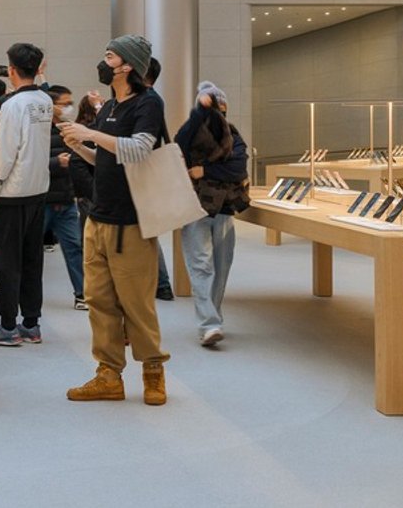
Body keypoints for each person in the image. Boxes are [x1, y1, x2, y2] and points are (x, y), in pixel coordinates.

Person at [57, 34, 169, 405]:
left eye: (110, 56)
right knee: (98, 300)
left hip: (131, 222)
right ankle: (108, 374)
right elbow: (107, 159)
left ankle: (153, 370)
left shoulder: (148, 102)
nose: (103, 63)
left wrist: (90, 133)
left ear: (129, 65)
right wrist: (81, 147)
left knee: (137, 303)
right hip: (98, 217)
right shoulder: (108, 107)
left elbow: (138, 149)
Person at [0, 43, 53, 346]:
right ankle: (31, 323)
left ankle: (8, 326)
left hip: (12, 192)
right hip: (38, 190)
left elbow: (5, 155)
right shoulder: (45, 100)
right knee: (32, 260)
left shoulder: (12, 106)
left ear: (11, 70)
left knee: (5, 262)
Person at [178, 81, 249, 347]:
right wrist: (199, 111)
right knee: (200, 266)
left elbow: (238, 168)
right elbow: (179, 144)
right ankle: (209, 324)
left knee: (222, 266)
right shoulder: (189, 133)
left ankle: (213, 318)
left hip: (224, 209)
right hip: (194, 208)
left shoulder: (233, 134)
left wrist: (204, 171)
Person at [43, 84, 89, 310]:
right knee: (30, 251)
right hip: (42, 200)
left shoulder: (71, 129)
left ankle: (83, 294)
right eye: (65, 104)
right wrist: (56, 163)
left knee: (74, 248)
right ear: (52, 106)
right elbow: (29, 162)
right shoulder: (38, 130)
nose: (69, 108)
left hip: (66, 199)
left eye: (71, 103)